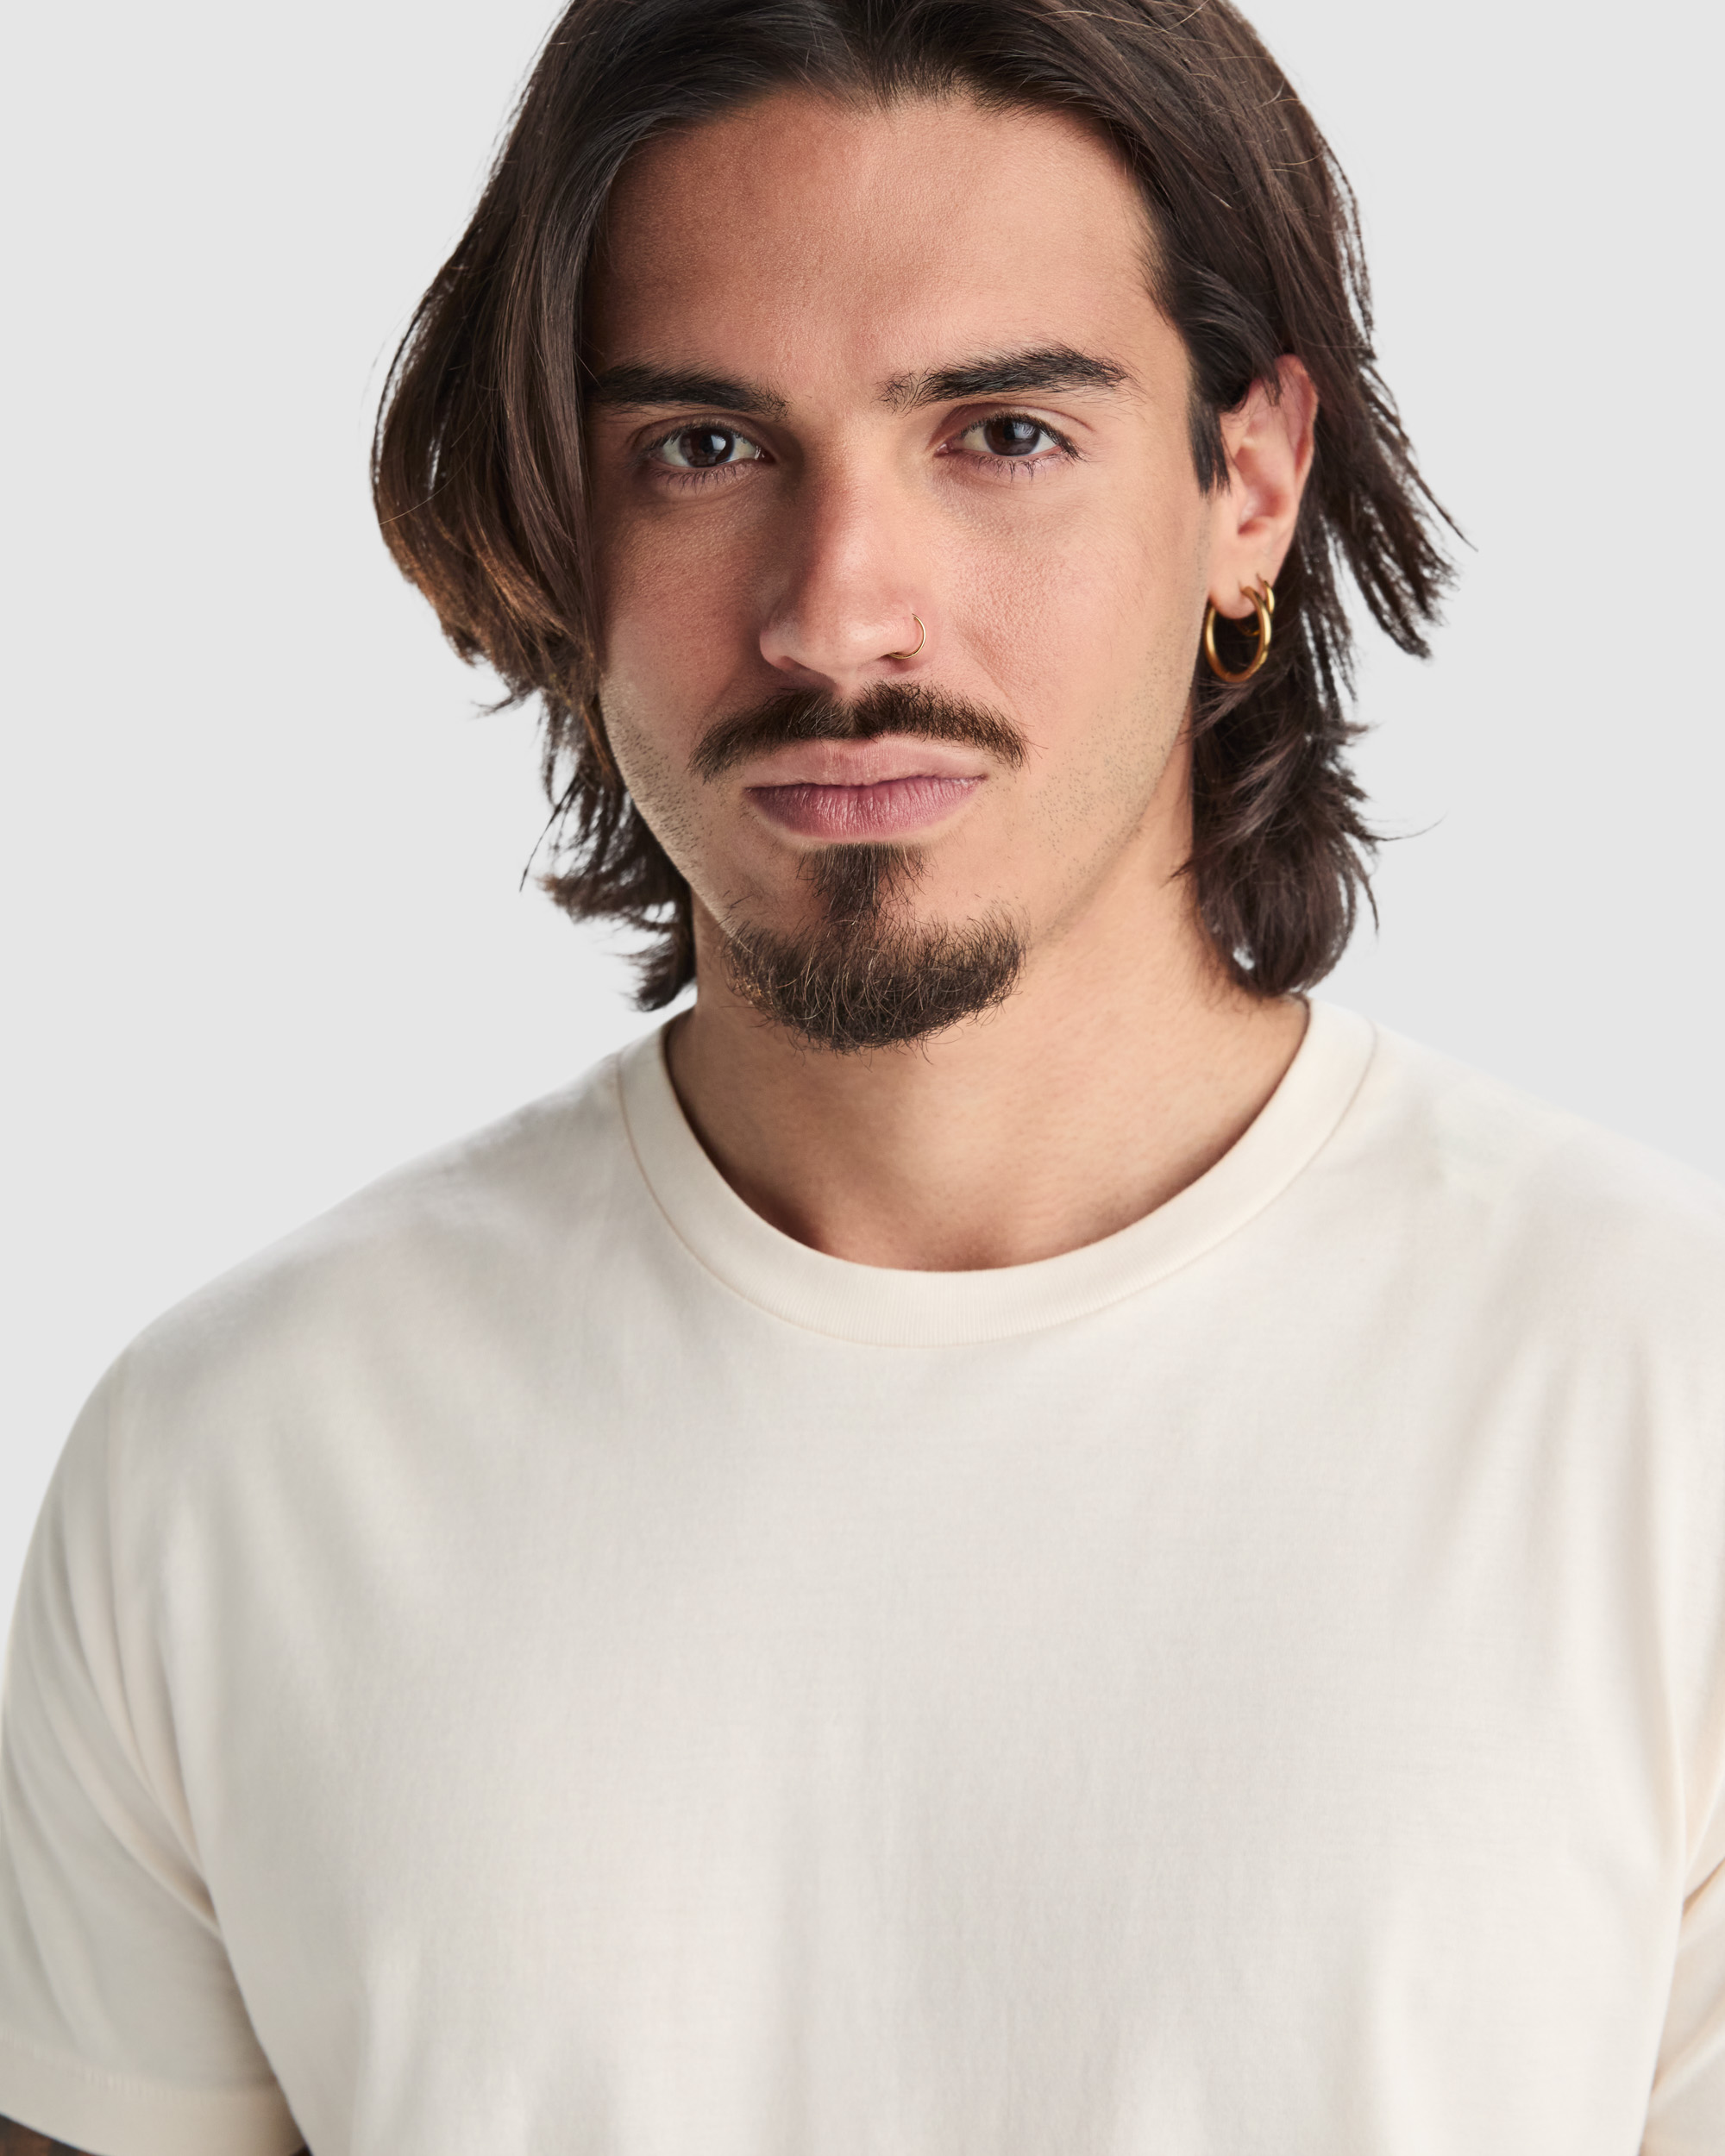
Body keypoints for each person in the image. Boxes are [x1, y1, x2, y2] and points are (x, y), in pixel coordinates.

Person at [3, 0, 1722, 2148]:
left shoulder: (1660, 1410)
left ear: (1248, 482)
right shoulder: (234, 1466)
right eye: (703, 448)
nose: (838, 616)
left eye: (1001, 433)